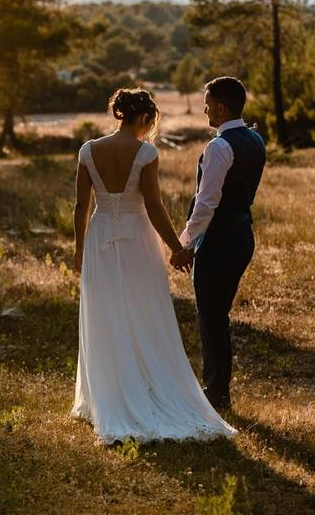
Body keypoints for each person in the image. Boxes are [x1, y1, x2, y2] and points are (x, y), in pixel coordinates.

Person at [71, 87, 236, 444]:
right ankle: (144, 384)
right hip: (136, 239)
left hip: (100, 238)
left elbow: (80, 207)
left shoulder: (88, 151)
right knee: (144, 310)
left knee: (106, 312)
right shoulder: (146, 152)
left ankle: (108, 393)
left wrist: (79, 249)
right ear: (145, 118)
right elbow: (154, 207)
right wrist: (178, 248)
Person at [171, 76, 267, 410]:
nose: (204, 109)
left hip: (220, 239)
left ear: (222, 107)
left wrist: (183, 244)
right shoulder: (255, 139)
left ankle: (216, 393)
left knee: (211, 318)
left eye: (208, 103)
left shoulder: (218, 147)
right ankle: (217, 389)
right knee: (217, 316)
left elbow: (206, 204)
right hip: (243, 236)